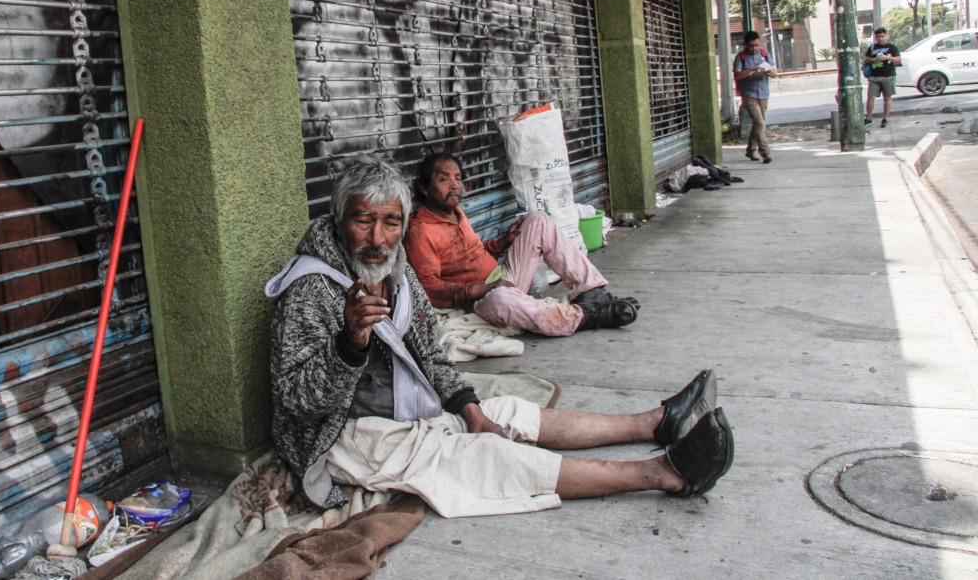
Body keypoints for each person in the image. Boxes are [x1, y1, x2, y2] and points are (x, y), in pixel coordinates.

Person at [264, 154, 734, 518]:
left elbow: (432, 354)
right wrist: (348, 345)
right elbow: (295, 402)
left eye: (390, 223)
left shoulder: (395, 273)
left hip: (406, 407)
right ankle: (663, 473)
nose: (377, 237)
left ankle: (654, 423)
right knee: (485, 458)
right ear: (338, 219)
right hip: (344, 435)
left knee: (502, 413)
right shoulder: (311, 289)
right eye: (362, 220)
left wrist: (468, 408)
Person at [404, 152, 638, 337]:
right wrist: (480, 290)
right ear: (425, 188)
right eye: (443, 179)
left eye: (458, 179)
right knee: (501, 301)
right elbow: (429, 288)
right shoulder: (421, 231)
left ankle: (593, 292)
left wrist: (505, 241)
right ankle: (586, 317)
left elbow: (473, 254)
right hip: (481, 299)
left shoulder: (456, 212)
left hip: (503, 278)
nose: (454, 186)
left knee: (537, 219)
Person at [733, 30, 777, 164]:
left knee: (758, 124)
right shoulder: (741, 57)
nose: (754, 48)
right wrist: (751, 70)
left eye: (756, 45)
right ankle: (765, 153)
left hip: (763, 93)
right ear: (746, 45)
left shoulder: (764, 54)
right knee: (759, 122)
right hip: (748, 94)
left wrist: (769, 73)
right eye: (752, 46)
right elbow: (738, 76)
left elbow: (775, 71)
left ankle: (750, 150)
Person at [863, 28, 901, 128]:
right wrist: (874, 59)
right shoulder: (872, 47)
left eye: (882, 36)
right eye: (878, 37)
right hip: (874, 77)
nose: (880, 39)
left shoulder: (892, 47)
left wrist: (887, 58)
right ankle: (868, 118)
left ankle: (885, 118)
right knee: (871, 97)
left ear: (886, 36)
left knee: (887, 98)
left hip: (888, 76)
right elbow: (866, 58)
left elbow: (898, 60)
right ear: (875, 38)